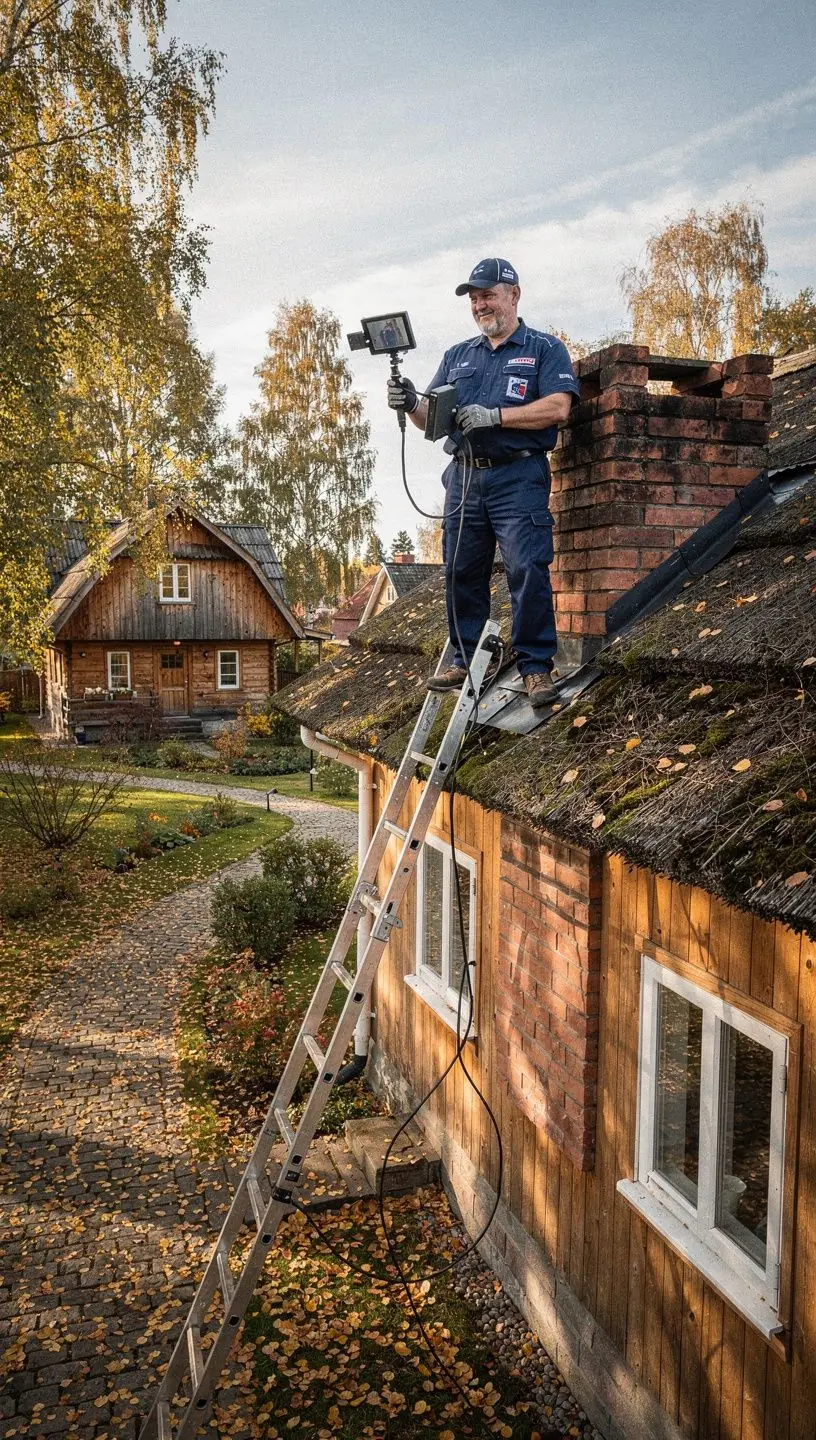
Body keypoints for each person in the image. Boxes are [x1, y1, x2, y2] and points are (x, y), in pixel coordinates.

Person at [387, 257, 580, 707]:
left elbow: (558, 408)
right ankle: (465, 655)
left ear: (513, 294)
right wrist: (408, 401)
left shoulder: (544, 349)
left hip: (518, 475)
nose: (479, 305)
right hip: (463, 478)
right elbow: (428, 421)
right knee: (458, 570)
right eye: (474, 299)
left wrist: (497, 416)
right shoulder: (458, 356)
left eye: (488, 295)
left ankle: (535, 668)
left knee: (527, 569)